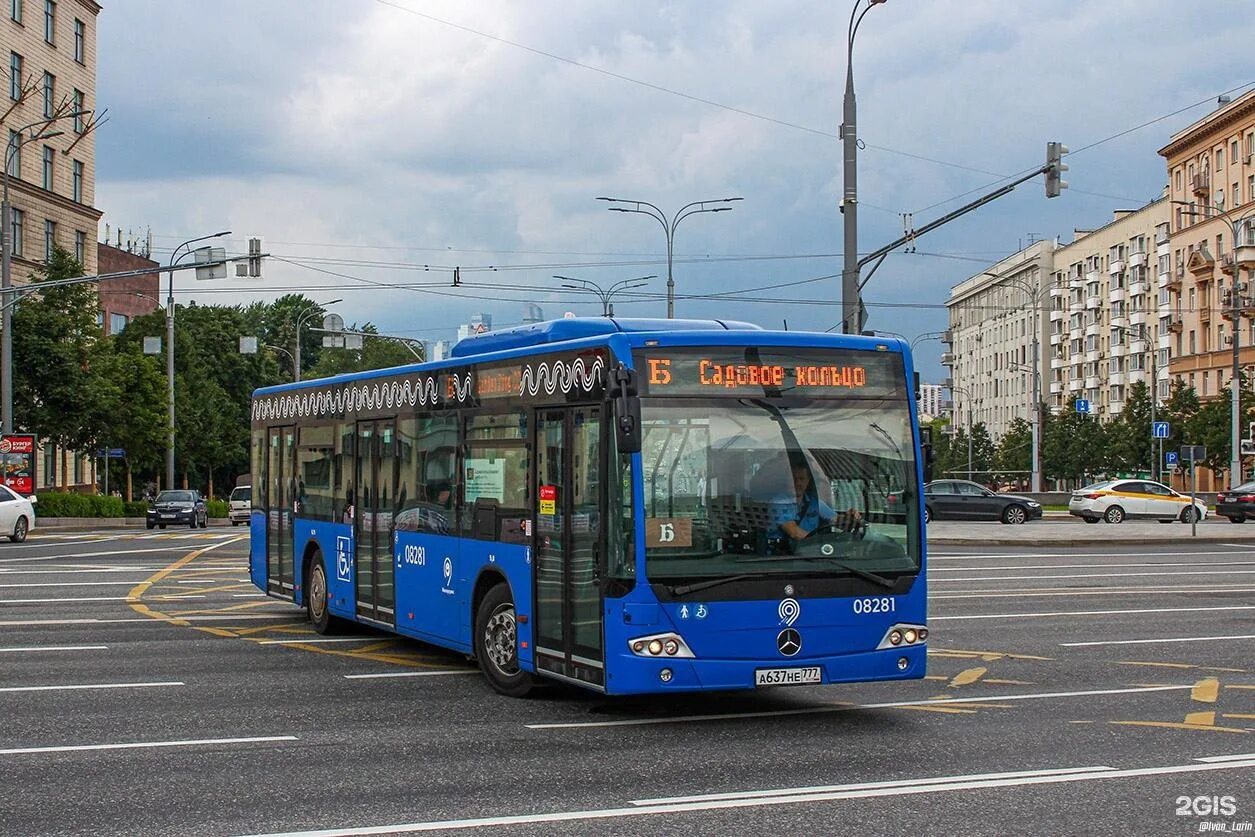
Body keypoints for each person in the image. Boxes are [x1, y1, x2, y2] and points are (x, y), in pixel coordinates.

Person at [773, 460, 862, 542]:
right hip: (783, 554)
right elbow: (794, 533)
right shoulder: (778, 502)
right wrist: (821, 543)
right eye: (794, 479)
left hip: (809, 551)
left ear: (808, 481)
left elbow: (835, 520)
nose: (797, 483)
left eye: (801, 479)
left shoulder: (813, 501)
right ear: (787, 481)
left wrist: (850, 517)